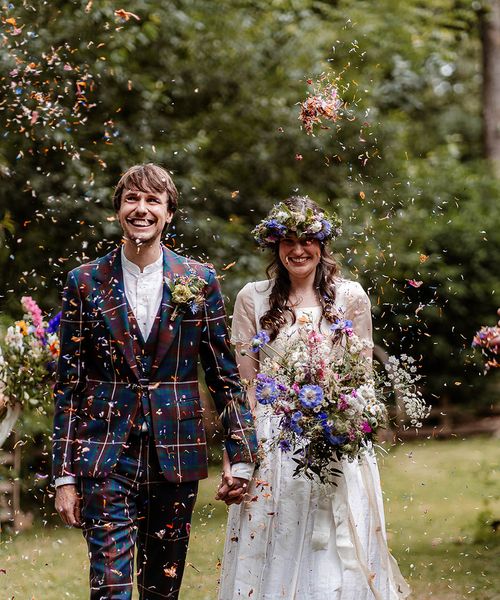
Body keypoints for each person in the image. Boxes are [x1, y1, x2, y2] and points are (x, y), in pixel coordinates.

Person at [52, 163, 257, 600]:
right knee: (109, 587)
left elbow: (224, 376)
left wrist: (241, 455)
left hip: (175, 455)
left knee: (162, 588)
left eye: (152, 200)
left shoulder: (199, 281)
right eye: (132, 199)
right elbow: (67, 385)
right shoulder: (84, 282)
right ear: (118, 210)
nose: (141, 209)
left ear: (168, 213)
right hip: (104, 454)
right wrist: (63, 475)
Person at [217, 197, 410, 599]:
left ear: (322, 245)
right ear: (275, 246)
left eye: (307, 239)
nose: (298, 249)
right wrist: (234, 461)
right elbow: (243, 392)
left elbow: (362, 380)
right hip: (274, 443)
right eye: (287, 240)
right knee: (277, 536)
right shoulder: (252, 298)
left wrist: (351, 425)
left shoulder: (350, 297)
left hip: (335, 434)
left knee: (334, 549)